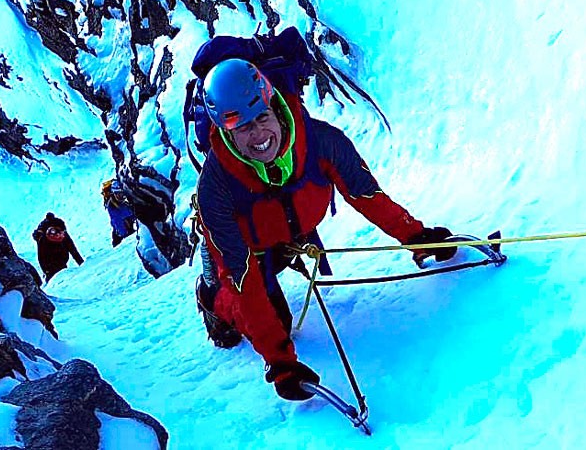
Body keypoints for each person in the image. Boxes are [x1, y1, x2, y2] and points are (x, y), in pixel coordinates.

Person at [194, 58, 457, 401]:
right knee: (267, 319)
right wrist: (281, 361)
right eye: (243, 128)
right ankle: (209, 296)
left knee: (272, 312)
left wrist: (416, 236)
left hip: (289, 233)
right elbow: (243, 281)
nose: (258, 135)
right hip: (248, 254)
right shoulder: (215, 189)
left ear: (274, 107)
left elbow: (367, 195)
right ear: (226, 132)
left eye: (261, 118)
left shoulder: (321, 141)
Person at [32, 212, 84, 282]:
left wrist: (82, 264)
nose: (60, 236)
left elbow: (73, 250)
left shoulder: (64, 236)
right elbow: (42, 258)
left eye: (62, 233)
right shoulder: (43, 240)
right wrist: (46, 271)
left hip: (62, 263)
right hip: (50, 269)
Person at [102, 179, 137, 247]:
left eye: (122, 194)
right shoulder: (112, 207)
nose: (121, 197)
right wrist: (125, 234)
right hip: (120, 234)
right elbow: (118, 222)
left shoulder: (124, 203)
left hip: (127, 226)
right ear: (113, 193)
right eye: (119, 194)